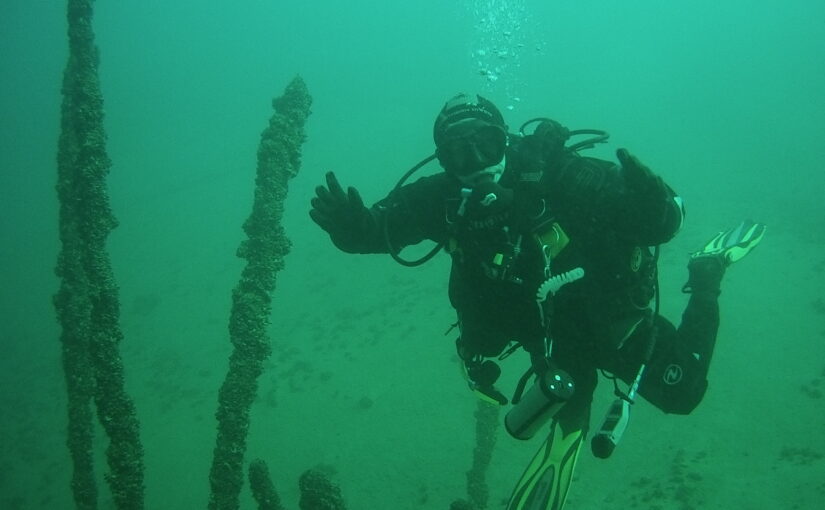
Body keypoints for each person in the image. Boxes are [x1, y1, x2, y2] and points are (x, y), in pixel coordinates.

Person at [309, 93, 765, 510]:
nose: (475, 163)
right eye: (458, 152)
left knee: (684, 394)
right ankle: (573, 403)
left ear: (505, 139)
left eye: (486, 144)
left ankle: (708, 274)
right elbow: (378, 231)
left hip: (607, 312)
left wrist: (656, 203)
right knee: (565, 372)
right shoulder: (442, 197)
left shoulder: (562, 173)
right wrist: (350, 227)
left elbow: (662, 221)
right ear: (443, 159)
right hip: (539, 330)